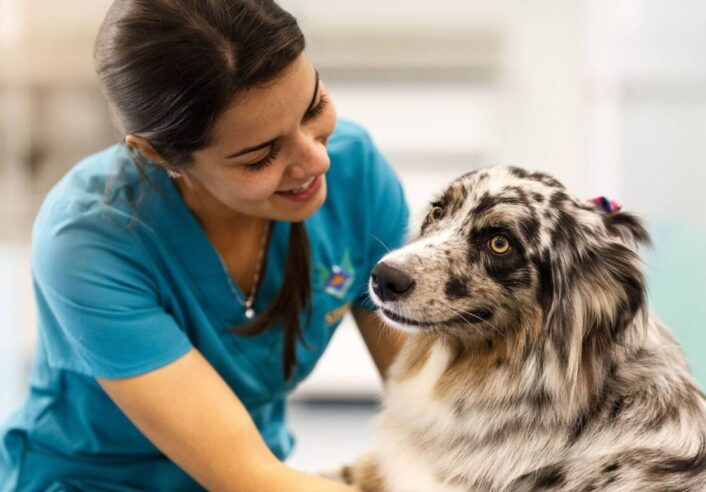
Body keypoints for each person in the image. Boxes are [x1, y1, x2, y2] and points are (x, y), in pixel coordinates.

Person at [0, 1, 409, 490]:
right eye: (260, 156)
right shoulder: (90, 239)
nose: (314, 160)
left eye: (314, 107)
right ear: (157, 153)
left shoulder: (354, 170)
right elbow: (247, 477)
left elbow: (432, 403)